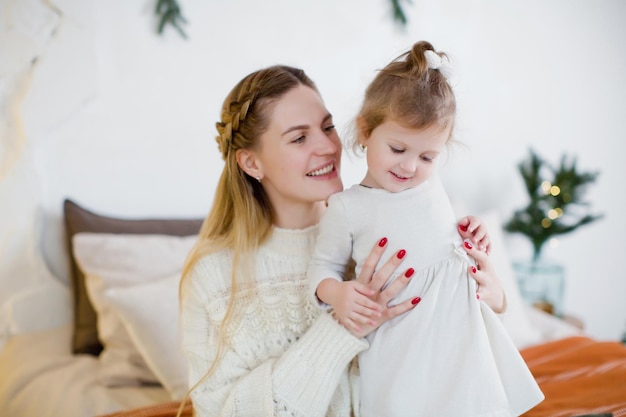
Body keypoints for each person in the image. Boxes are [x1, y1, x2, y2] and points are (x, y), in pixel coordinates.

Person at [179, 64, 497, 417]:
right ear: (252, 162)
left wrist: (483, 287)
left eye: (327, 127)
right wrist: (342, 327)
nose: (328, 147)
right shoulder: (213, 277)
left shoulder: (375, 233)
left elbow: (454, 343)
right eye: (299, 138)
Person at [308, 41, 544, 417]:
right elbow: (321, 268)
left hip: (461, 343)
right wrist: (337, 293)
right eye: (398, 149)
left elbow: (451, 250)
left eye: (427, 156)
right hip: (402, 347)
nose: (410, 167)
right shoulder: (347, 207)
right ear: (366, 131)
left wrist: (474, 231)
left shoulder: (433, 185)